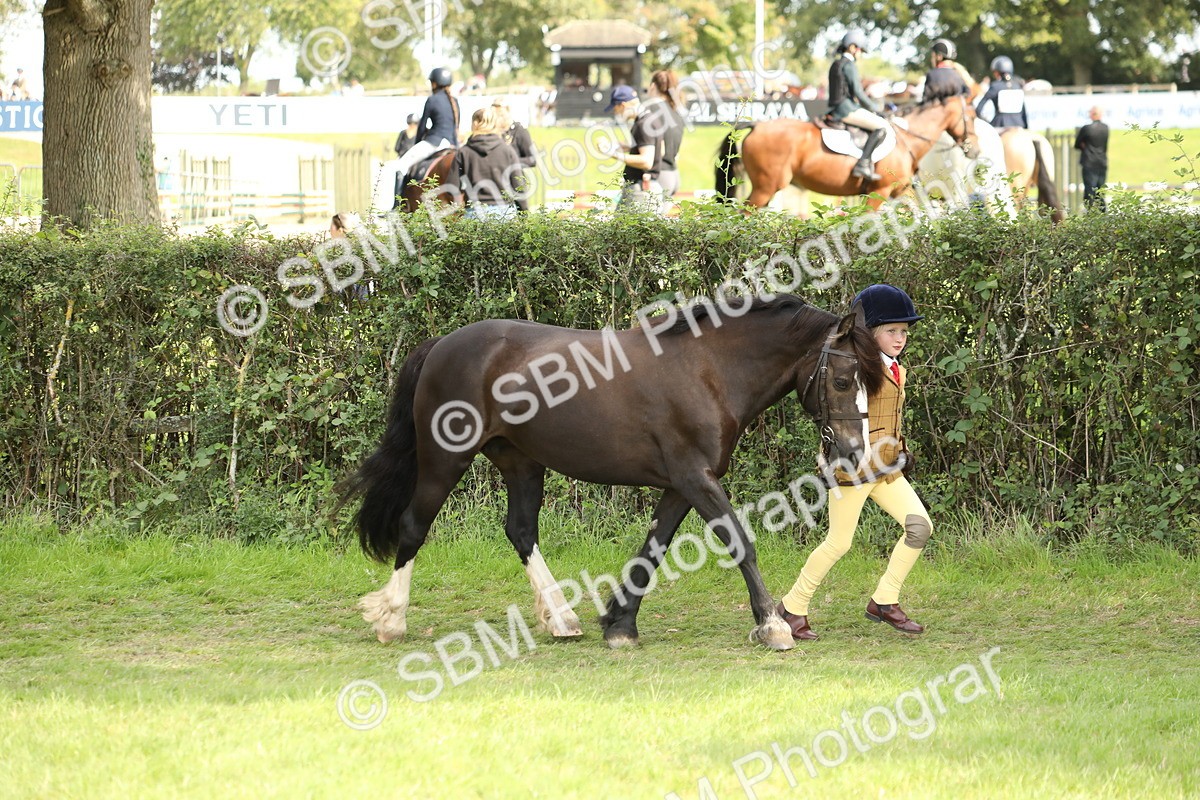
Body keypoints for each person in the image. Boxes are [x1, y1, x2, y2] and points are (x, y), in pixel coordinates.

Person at [777, 284, 933, 640]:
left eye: (904, 332)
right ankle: (791, 607)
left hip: (886, 469)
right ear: (870, 332)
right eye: (891, 331)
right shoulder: (854, 367)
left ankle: (884, 600)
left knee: (920, 527)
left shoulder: (896, 368)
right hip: (854, 470)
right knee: (839, 543)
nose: (900, 338)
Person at [372, 68, 460, 211]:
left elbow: (422, 126)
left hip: (434, 143)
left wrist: (418, 142)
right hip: (452, 143)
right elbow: (456, 125)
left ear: (435, 83)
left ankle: (398, 206)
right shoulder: (454, 101)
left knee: (400, 166)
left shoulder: (432, 100)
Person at [826, 31, 889, 182]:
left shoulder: (836, 63)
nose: (860, 53)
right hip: (846, 109)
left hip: (837, 106)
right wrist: (876, 108)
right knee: (881, 127)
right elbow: (859, 93)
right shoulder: (849, 65)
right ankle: (863, 163)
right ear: (853, 47)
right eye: (860, 50)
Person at [604, 85, 665, 212]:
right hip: (648, 185)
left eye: (616, 109)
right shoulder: (650, 119)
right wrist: (625, 146)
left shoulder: (642, 125)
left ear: (624, 105)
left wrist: (614, 154)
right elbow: (660, 150)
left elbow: (646, 161)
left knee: (621, 229)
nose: (616, 113)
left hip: (640, 190)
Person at [455, 107, 523, 220]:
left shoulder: (463, 152)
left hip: (474, 213)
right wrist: (525, 215)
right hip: (505, 214)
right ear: (496, 124)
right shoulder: (508, 151)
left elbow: (452, 186)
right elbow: (519, 186)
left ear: (474, 124)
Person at [643, 70, 685, 199]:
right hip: (673, 174)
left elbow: (656, 148)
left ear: (653, 86)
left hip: (659, 177)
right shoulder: (676, 111)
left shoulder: (650, 110)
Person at [491, 99, 537, 211]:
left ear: (507, 112)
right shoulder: (492, 133)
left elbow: (532, 159)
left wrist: (511, 162)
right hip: (494, 183)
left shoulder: (519, 131)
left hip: (514, 182)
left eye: (500, 115)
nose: (498, 119)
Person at [975, 55, 1028, 129]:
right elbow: (1024, 112)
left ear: (997, 72)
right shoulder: (1017, 86)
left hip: (1000, 125)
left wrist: (987, 123)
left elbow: (979, 109)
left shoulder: (995, 86)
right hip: (1019, 125)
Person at [1075, 106, 1109, 211]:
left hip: (1089, 163)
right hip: (1102, 162)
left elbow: (1077, 144)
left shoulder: (1086, 128)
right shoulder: (1105, 128)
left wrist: (1084, 146)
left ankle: (1089, 214)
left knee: (1089, 191)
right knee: (1100, 191)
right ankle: (1103, 213)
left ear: (1092, 114)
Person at [923, 38, 978, 104]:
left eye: (933, 56)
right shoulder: (959, 73)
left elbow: (926, 101)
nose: (931, 60)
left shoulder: (932, 75)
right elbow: (967, 94)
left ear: (939, 56)